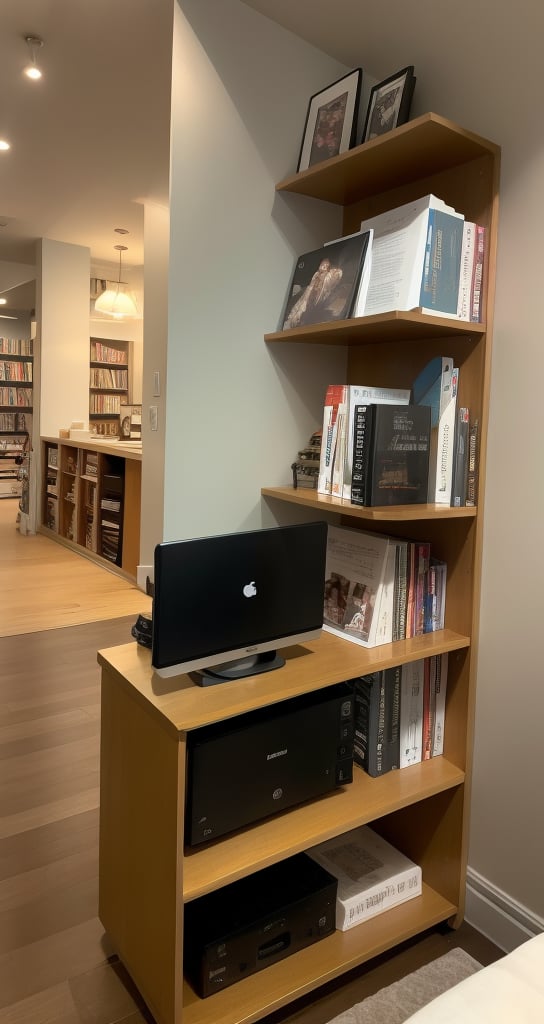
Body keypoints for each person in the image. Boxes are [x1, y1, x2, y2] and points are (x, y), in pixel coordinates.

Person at [284, 257, 342, 328]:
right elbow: (305, 298)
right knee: (299, 309)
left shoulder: (332, 275)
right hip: (307, 298)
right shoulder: (316, 276)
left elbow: (335, 276)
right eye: (322, 265)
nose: (323, 267)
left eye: (326, 266)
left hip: (315, 305)